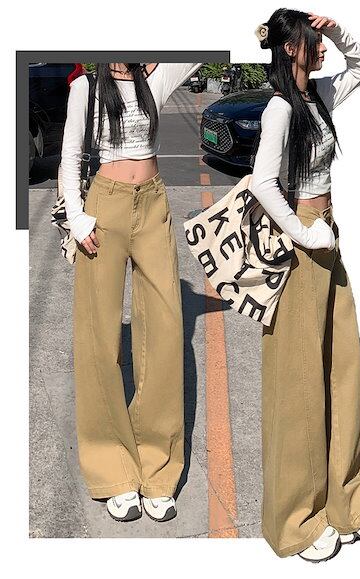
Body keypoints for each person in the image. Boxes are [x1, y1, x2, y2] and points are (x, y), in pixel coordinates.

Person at [251, 9, 360, 562]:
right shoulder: (278, 109)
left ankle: (350, 502)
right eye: (313, 41)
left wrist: (336, 29)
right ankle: (297, 520)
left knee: (344, 370)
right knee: (298, 384)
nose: (322, 48)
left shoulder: (319, 96)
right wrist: (303, 232)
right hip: (301, 246)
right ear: (290, 48)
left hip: (327, 239)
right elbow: (263, 183)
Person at [60, 62, 202, 523]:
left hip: (153, 204)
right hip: (103, 209)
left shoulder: (154, 78)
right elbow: (69, 154)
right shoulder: (86, 85)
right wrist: (77, 218)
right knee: (99, 338)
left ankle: (157, 468)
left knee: (166, 332)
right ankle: (113, 470)